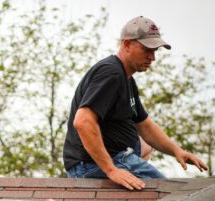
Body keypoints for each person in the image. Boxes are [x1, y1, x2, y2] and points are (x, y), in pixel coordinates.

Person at [63, 16, 207, 190]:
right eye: (147, 49)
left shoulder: (126, 79)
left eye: (155, 51)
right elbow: (83, 121)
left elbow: (145, 126)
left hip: (114, 158)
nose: (152, 57)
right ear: (126, 44)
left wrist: (177, 151)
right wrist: (111, 170)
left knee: (145, 145)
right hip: (90, 166)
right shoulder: (111, 74)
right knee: (170, 194)